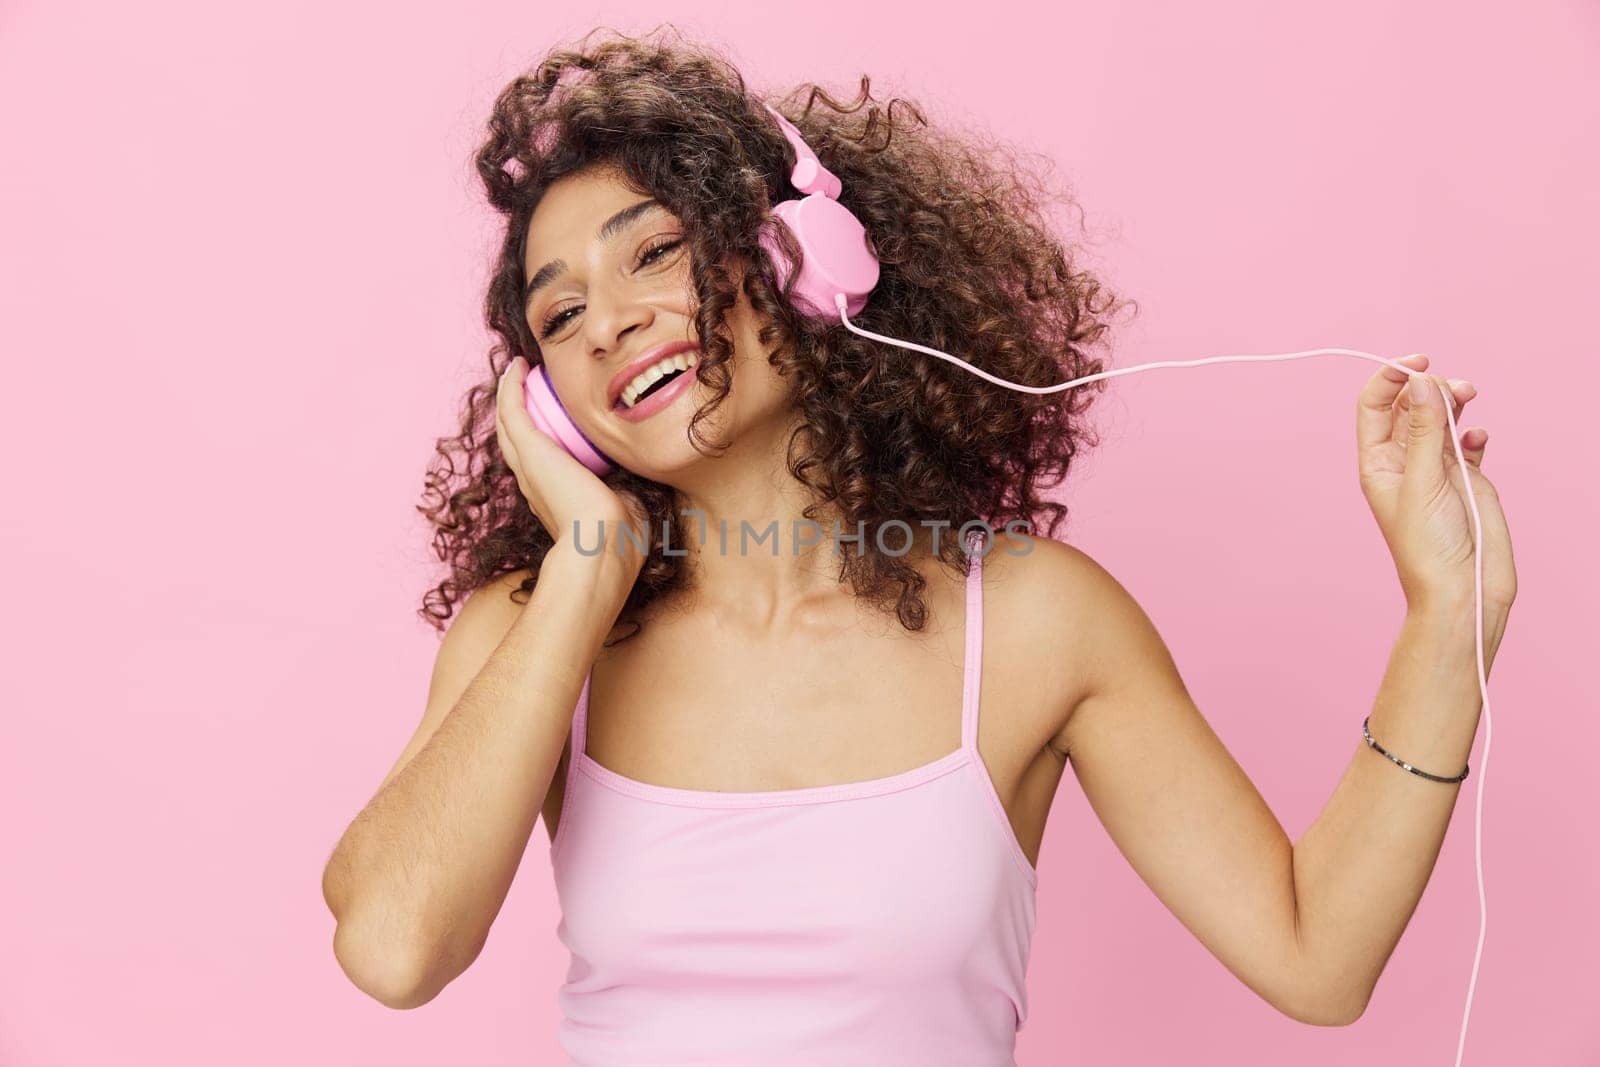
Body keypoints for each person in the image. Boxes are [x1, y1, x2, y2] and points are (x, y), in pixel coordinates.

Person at [319, 27, 1517, 1065]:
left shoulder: (1041, 622)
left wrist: (1445, 615)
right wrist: (586, 567)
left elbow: (1316, 957)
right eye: (561, 312)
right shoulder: (529, 632)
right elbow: (392, 948)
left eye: (652, 251)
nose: (612, 321)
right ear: (544, 402)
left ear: (796, 264)